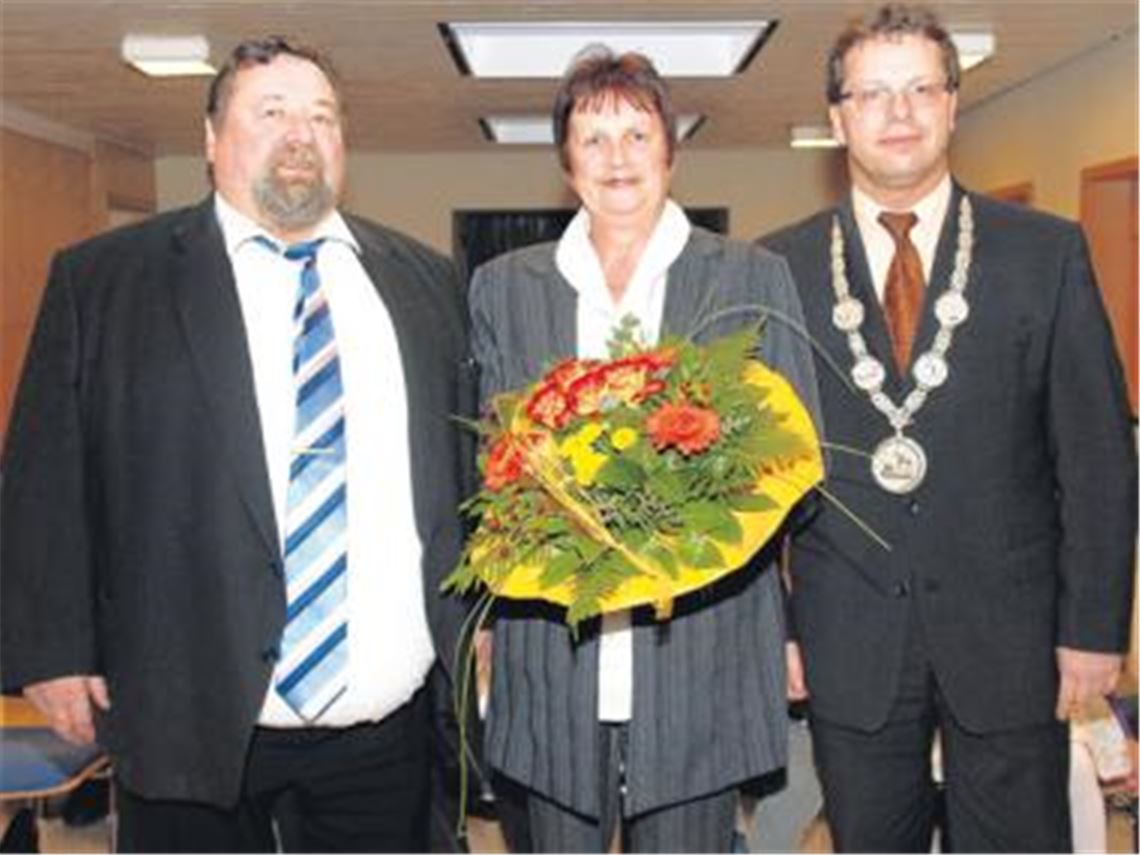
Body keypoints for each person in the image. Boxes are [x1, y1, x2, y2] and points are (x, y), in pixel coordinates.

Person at [0, 36, 475, 852]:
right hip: (185, 699)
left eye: (321, 116)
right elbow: (45, 477)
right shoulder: (106, 280)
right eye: (272, 112)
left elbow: (459, 469)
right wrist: (49, 646)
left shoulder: (423, 280)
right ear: (213, 139)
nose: (301, 133)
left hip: (383, 716)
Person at [760, 4, 1137, 851]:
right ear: (837, 117)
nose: (898, 112)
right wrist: (777, 629)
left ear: (953, 105)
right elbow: (758, 475)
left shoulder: (1046, 253)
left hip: (1013, 636)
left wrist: (1093, 628)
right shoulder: (776, 268)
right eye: (873, 93)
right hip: (845, 634)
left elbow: (1098, 458)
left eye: (920, 88)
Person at [469, 47, 820, 853]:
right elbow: (488, 464)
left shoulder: (749, 276)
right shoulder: (504, 285)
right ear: (565, 161)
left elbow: (794, 466)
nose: (617, 157)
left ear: (670, 149)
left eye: (637, 132)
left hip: (703, 643)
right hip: (553, 646)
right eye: (593, 138)